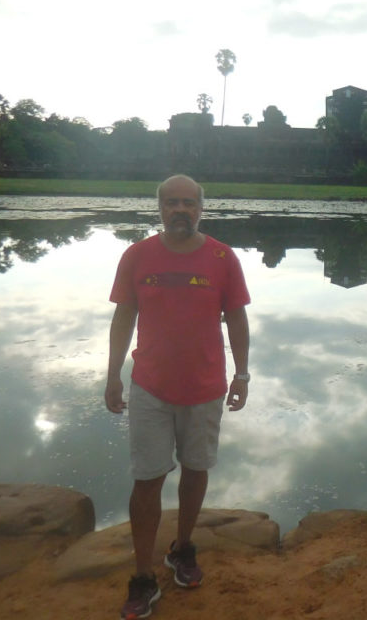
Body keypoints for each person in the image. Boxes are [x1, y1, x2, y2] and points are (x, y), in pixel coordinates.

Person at [105, 174, 251, 620]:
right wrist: (113, 375)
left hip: (206, 387)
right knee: (147, 478)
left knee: (196, 469)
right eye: (172, 203)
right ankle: (143, 577)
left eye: (189, 203)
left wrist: (242, 374)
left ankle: (182, 549)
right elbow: (123, 317)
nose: (180, 210)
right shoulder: (137, 255)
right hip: (150, 386)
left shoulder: (223, 258)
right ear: (160, 209)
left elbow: (237, 320)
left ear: (201, 208)